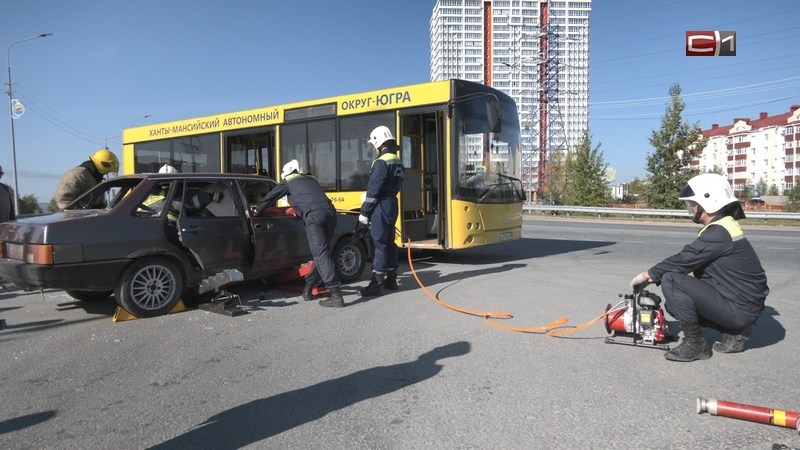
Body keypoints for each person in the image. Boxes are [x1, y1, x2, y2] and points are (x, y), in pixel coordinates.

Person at [630, 173, 769, 362]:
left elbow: (683, 260)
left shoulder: (718, 233)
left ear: (708, 202)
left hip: (739, 308)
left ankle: (696, 345)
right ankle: (734, 331)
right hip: (742, 304)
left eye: (692, 204)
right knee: (673, 304)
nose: (690, 208)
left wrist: (647, 275)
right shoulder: (724, 226)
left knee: (672, 280)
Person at [255, 159, 344, 308]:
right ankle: (309, 286)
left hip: (314, 216)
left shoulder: (288, 181)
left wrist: (256, 210)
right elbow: (309, 197)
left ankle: (336, 294)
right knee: (323, 253)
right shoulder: (310, 179)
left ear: (286, 173)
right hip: (330, 213)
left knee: (320, 254)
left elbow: (271, 197)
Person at [358, 126, 405, 297]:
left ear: (378, 142)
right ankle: (391, 279)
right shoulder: (397, 160)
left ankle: (376, 284)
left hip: (381, 205)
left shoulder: (381, 162)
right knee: (389, 241)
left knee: (378, 242)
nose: (373, 148)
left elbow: (373, 191)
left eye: (373, 145)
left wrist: (364, 213)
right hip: (392, 204)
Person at [54, 149, 119, 210]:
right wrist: (83, 210)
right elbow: (63, 198)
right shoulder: (77, 174)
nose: (107, 173)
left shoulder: (95, 176)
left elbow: (97, 201)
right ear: (104, 164)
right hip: (75, 219)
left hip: (90, 218)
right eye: (108, 171)